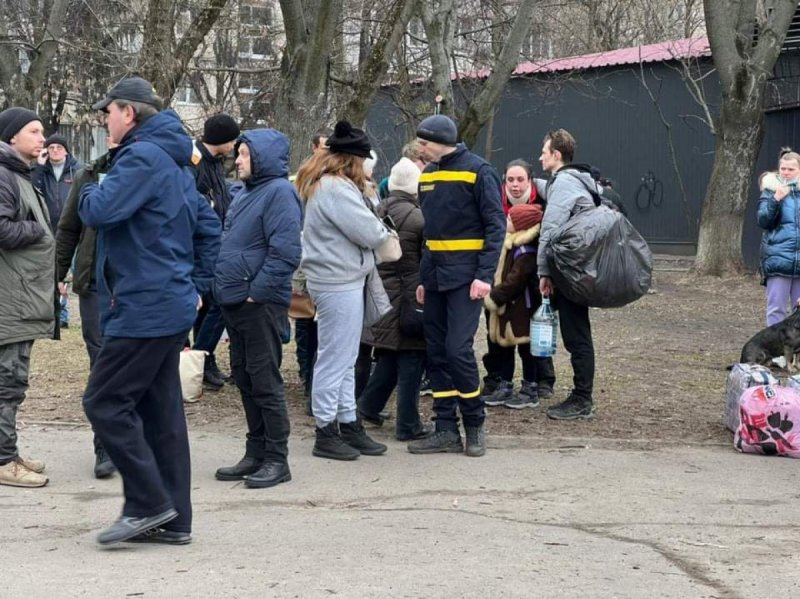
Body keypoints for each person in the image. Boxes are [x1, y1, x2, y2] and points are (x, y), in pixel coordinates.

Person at [79, 76, 220, 546]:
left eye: (108, 111)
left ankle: (147, 503)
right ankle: (175, 520)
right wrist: (195, 285)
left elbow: (97, 211)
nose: (104, 119)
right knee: (162, 416)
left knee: (103, 401)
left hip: (143, 306)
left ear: (129, 113)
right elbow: (208, 227)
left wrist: (88, 183)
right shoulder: (176, 163)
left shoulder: (140, 158)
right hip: (167, 304)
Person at [407, 114, 505, 458]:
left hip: (466, 279)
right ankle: (445, 429)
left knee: (457, 350)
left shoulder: (478, 171)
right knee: (435, 352)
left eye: (424, 142)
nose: (420, 148)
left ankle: (475, 423)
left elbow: (496, 226)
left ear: (441, 140)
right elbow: (428, 233)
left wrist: (484, 275)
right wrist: (423, 277)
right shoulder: (428, 175)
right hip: (434, 277)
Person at [297, 120, 390, 461]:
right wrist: (384, 235)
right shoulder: (335, 188)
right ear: (353, 159)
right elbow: (368, 230)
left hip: (340, 278)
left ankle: (347, 421)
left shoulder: (331, 185)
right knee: (336, 358)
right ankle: (326, 429)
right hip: (338, 281)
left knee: (345, 357)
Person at [213, 128, 301, 488]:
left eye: (244, 154)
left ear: (261, 157)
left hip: (259, 304)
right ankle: (256, 452)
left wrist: (256, 292)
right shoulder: (245, 193)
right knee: (245, 378)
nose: (237, 160)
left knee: (265, 381)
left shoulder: (279, 193)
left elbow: (286, 253)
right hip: (235, 302)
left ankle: (277, 460)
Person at [358, 157, 431, 441]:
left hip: (382, 295)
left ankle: (368, 405)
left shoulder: (378, 209)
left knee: (389, 353)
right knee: (413, 357)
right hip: (411, 297)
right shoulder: (418, 217)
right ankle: (408, 424)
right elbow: (426, 259)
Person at [0, 107, 54, 488]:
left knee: (12, 381)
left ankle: (8, 451)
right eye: (34, 131)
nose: (42, 138)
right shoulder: (4, 176)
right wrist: (37, 229)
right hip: (10, 300)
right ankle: (3, 461)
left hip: (21, 297)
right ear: (12, 137)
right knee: (7, 380)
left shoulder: (20, 175)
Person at [56, 139, 117, 479]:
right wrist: (57, 275)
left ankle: (137, 442)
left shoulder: (151, 171)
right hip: (94, 285)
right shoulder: (88, 174)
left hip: (137, 288)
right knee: (103, 364)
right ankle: (105, 446)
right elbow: (68, 228)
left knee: (137, 365)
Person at [482, 159, 555, 405]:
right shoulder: (495, 206)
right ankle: (501, 381)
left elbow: (520, 274)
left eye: (520, 179)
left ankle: (534, 384)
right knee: (500, 343)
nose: (514, 185)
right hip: (502, 298)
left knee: (528, 344)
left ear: (529, 181)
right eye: (510, 180)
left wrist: (497, 294)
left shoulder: (527, 242)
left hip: (522, 300)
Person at [536, 128, 597, 420]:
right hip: (579, 267)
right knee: (577, 333)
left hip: (569, 270)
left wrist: (543, 271)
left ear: (556, 155)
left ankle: (582, 398)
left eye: (544, 152)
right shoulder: (577, 181)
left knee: (577, 336)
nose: (540, 157)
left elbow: (550, 230)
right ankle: (581, 395)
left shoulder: (564, 184)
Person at [190, 113, 240, 390]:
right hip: (201, 247)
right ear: (221, 140)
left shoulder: (215, 163)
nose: (234, 146)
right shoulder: (195, 163)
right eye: (231, 140)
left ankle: (203, 359)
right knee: (216, 302)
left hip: (216, 243)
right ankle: (200, 356)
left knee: (209, 306)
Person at [483, 204, 545, 409]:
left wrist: (495, 297)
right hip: (509, 309)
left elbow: (515, 281)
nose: (506, 222)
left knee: (527, 350)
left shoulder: (526, 251)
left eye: (510, 219)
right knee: (505, 347)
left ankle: (530, 388)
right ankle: (505, 384)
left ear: (520, 225)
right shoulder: (512, 245)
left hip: (522, 310)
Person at [294, 129, 330, 409]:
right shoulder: (303, 180)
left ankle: (314, 382)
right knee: (306, 320)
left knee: (320, 326)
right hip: (304, 260)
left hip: (323, 262)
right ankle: (307, 378)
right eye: (323, 146)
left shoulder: (332, 181)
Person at [33, 133, 82, 328]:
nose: (55, 151)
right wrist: (38, 165)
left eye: (59, 148)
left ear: (66, 150)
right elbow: (31, 188)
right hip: (47, 229)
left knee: (69, 273)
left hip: (72, 230)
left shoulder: (76, 170)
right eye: (51, 147)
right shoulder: (41, 171)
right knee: (50, 273)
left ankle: (63, 316)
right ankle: (52, 313)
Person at [758, 149, 800, 326]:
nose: (786, 172)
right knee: (776, 309)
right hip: (778, 259)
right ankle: (776, 352)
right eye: (783, 168)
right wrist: (775, 200)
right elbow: (763, 221)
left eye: (791, 169)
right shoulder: (770, 191)